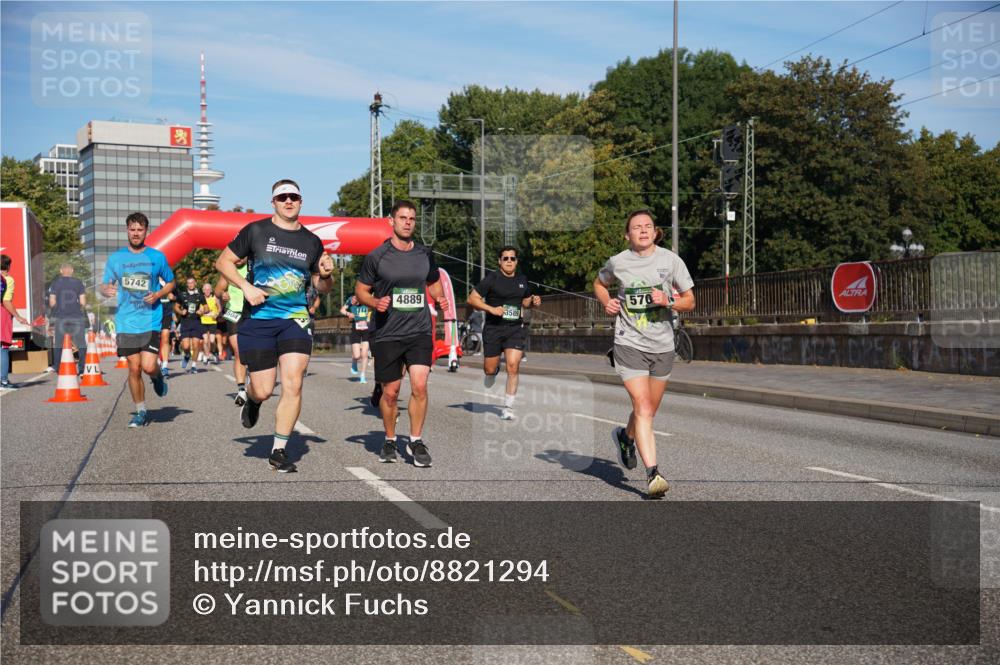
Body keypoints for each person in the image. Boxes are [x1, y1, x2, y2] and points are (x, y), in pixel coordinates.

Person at [215, 179, 334, 473]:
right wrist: (245, 287)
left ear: (301, 201)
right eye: (282, 197)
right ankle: (253, 400)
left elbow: (321, 286)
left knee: (294, 382)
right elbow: (223, 262)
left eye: (293, 196)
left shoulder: (312, 241)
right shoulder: (255, 231)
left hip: (295, 319)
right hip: (259, 319)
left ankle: (278, 450)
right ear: (273, 202)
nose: (288, 201)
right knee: (264, 389)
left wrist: (326, 275)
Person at [593, 209, 695, 498]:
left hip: (662, 346)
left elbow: (690, 301)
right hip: (629, 344)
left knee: (648, 409)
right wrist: (607, 301)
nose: (643, 230)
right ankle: (654, 474)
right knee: (643, 406)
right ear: (628, 235)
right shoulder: (618, 262)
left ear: (655, 231)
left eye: (647, 226)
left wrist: (669, 299)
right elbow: (599, 284)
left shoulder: (670, 261)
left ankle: (626, 438)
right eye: (636, 227)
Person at [355, 200, 448, 468]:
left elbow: (433, 283)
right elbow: (361, 290)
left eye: (412, 218)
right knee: (391, 393)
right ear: (391, 221)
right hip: (388, 333)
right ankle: (390, 439)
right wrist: (375, 302)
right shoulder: (377, 256)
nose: (408, 222)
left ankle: (415, 440)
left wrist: (439, 298)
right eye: (403, 218)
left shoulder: (424, 254)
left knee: (419, 385)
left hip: (419, 330)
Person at [100, 213, 175, 427]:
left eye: (139, 230)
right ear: (127, 230)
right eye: (132, 229)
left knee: (149, 366)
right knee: (134, 368)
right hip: (126, 321)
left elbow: (171, 282)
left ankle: (157, 376)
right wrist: (106, 290)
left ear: (146, 232)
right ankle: (141, 411)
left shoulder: (157, 257)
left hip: (150, 319)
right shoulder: (116, 258)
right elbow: (105, 285)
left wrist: (158, 294)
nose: (135, 233)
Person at [468, 246, 540, 420]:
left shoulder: (522, 280)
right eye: (505, 258)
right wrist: (491, 309)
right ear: (500, 261)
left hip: (514, 328)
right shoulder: (492, 278)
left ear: (516, 261)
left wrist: (533, 301)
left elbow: (525, 302)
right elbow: (472, 299)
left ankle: (508, 407)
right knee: (489, 369)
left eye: (512, 258)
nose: (509, 261)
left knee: (513, 366)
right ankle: (492, 372)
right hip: (493, 328)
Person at [215, 258, 250, 406]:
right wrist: (222, 294)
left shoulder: (255, 265)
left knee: (254, 350)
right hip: (233, 312)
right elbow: (217, 290)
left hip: (253, 312)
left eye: (243, 256)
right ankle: (241, 390)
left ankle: (254, 377)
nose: (239, 259)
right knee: (238, 351)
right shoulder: (228, 269)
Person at [47, 262, 88, 376]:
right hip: (76, 317)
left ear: (61, 271)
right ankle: (82, 369)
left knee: (59, 344)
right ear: (72, 271)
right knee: (81, 344)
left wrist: (57, 308)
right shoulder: (78, 283)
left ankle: (58, 367)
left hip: (61, 317)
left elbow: (52, 302)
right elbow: (83, 302)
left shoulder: (55, 283)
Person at [1, 254, 31, 389]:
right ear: (8, 266)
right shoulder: (7, 280)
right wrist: (18, 316)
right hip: (2, 315)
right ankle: (3, 381)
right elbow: (6, 301)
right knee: (3, 348)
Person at [174, 277, 206, 372]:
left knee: (196, 344)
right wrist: (181, 312)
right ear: (187, 284)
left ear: (195, 283)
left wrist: (202, 311)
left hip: (196, 322)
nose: (190, 284)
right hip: (185, 323)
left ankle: (194, 366)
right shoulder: (182, 295)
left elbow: (207, 307)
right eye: (188, 283)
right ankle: (187, 355)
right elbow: (176, 307)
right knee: (186, 346)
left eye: (192, 282)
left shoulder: (200, 295)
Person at [340, 294, 372, 383]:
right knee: (357, 355)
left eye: (356, 301)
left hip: (366, 328)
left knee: (365, 354)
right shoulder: (351, 300)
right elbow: (342, 310)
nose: (354, 302)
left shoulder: (367, 298)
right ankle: (354, 361)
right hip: (356, 328)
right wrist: (348, 313)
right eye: (353, 302)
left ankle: (363, 375)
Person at [200, 282, 221, 364]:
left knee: (212, 341)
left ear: (211, 290)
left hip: (212, 321)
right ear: (203, 290)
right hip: (203, 321)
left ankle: (214, 352)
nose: (207, 291)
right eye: (205, 289)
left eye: (208, 289)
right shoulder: (200, 299)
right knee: (205, 340)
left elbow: (219, 308)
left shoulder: (215, 298)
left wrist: (217, 314)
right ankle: (206, 356)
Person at [158, 287, 175, 377]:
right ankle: (157, 361)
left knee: (165, 338)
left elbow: (178, 297)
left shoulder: (171, 283)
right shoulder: (152, 281)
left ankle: (165, 366)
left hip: (166, 314)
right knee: (155, 338)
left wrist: (173, 297)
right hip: (153, 313)